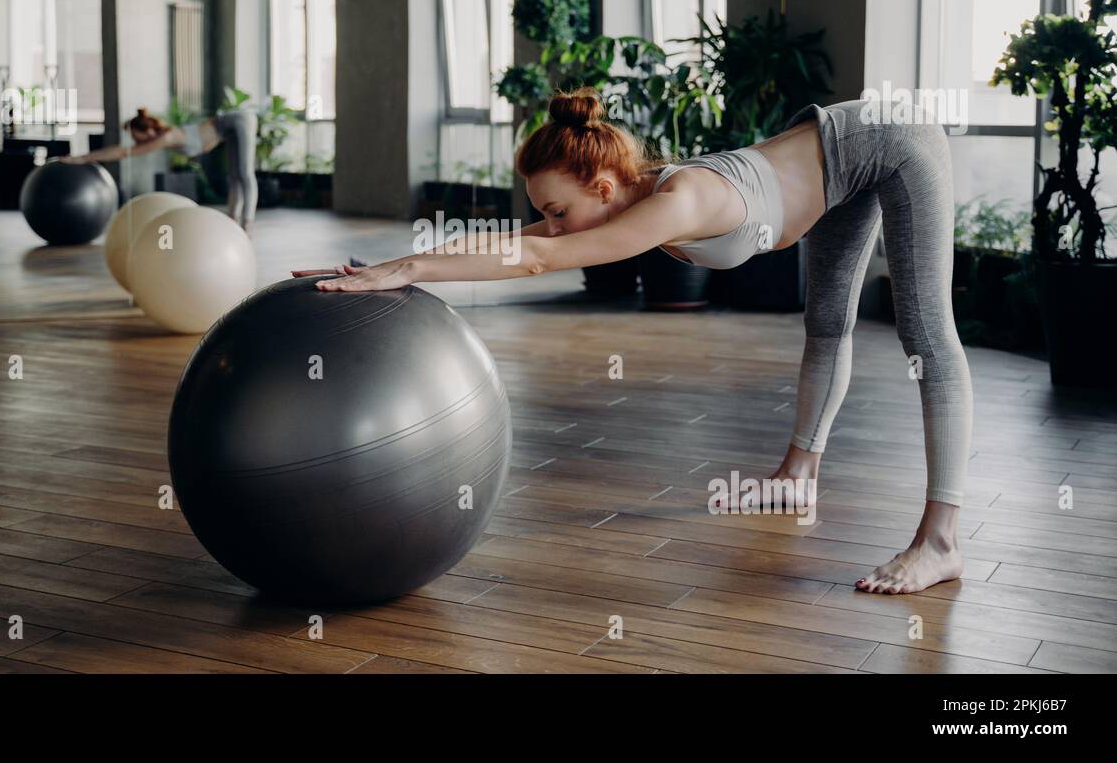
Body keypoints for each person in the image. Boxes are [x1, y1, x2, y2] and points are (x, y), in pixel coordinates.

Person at [292, 87, 973, 596]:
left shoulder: (678, 203)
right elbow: (522, 243)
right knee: (827, 321)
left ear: (606, 186)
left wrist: (409, 271)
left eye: (558, 211)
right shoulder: (627, 200)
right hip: (834, 155)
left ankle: (940, 540)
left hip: (893, 139)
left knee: (926, 333)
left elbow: (535, 260)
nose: (550, 225)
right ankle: (797, 479)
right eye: (545, 212)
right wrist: (382, 264)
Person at [62, 106, 258, 231]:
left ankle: (246, 224)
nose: (136, 142)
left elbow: (123, 152)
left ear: (147, 130)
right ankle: (234, 222)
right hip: (227, 125)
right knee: (234, 176)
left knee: (244, 172)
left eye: (137, 137)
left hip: (239, 118)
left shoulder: (166, 137)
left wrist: (82, 158)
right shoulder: (167, 134)